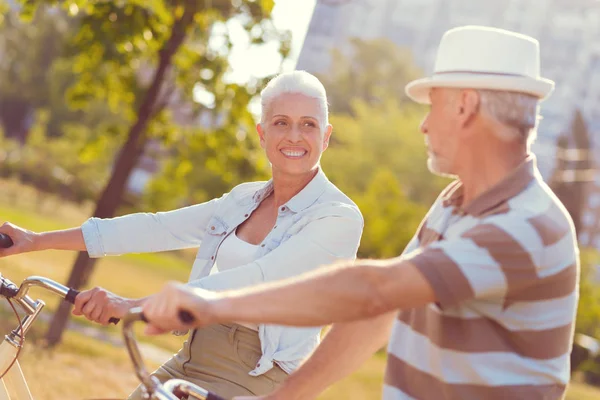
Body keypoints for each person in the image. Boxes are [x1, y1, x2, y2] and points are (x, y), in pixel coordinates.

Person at [139, 26, 580, 400]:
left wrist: (211, 302)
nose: (424, 124)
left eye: (433, 106)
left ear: (465, 106)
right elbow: (380, 313)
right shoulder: (455, 202)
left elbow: (373, 289)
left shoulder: (527, 226)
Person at [0, 71, 364, 399]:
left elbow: (257, 281)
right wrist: (36, 239)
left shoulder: (338, 218)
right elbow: (158, 227)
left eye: (309, 125)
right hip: (192, 353)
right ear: (262, 133)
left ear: (326, 136)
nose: (294, 136)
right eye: (281, 122)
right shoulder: (244, 198)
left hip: (255, 377)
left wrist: (135, 305)